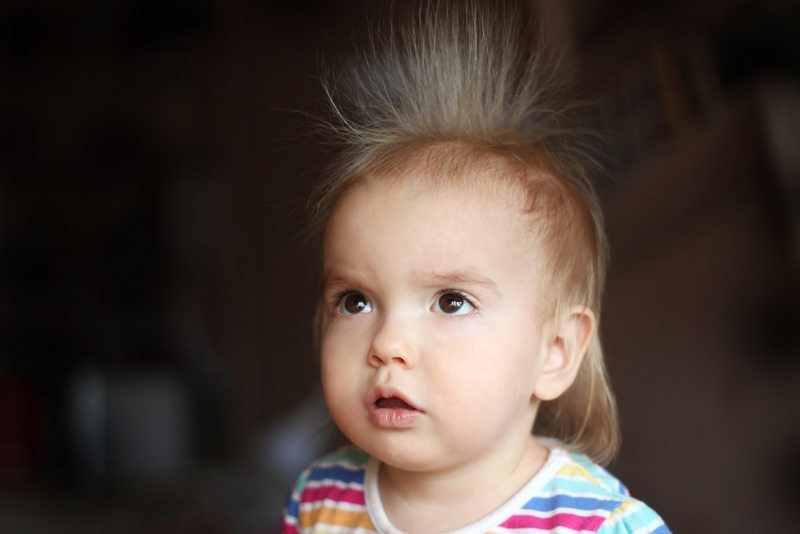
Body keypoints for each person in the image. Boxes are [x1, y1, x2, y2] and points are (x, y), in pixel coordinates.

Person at [282, 1, 671, 533]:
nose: (387, 343)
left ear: (554, 352)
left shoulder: (596, 524)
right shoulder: (322, 501)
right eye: (355, 300)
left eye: (451, 301)